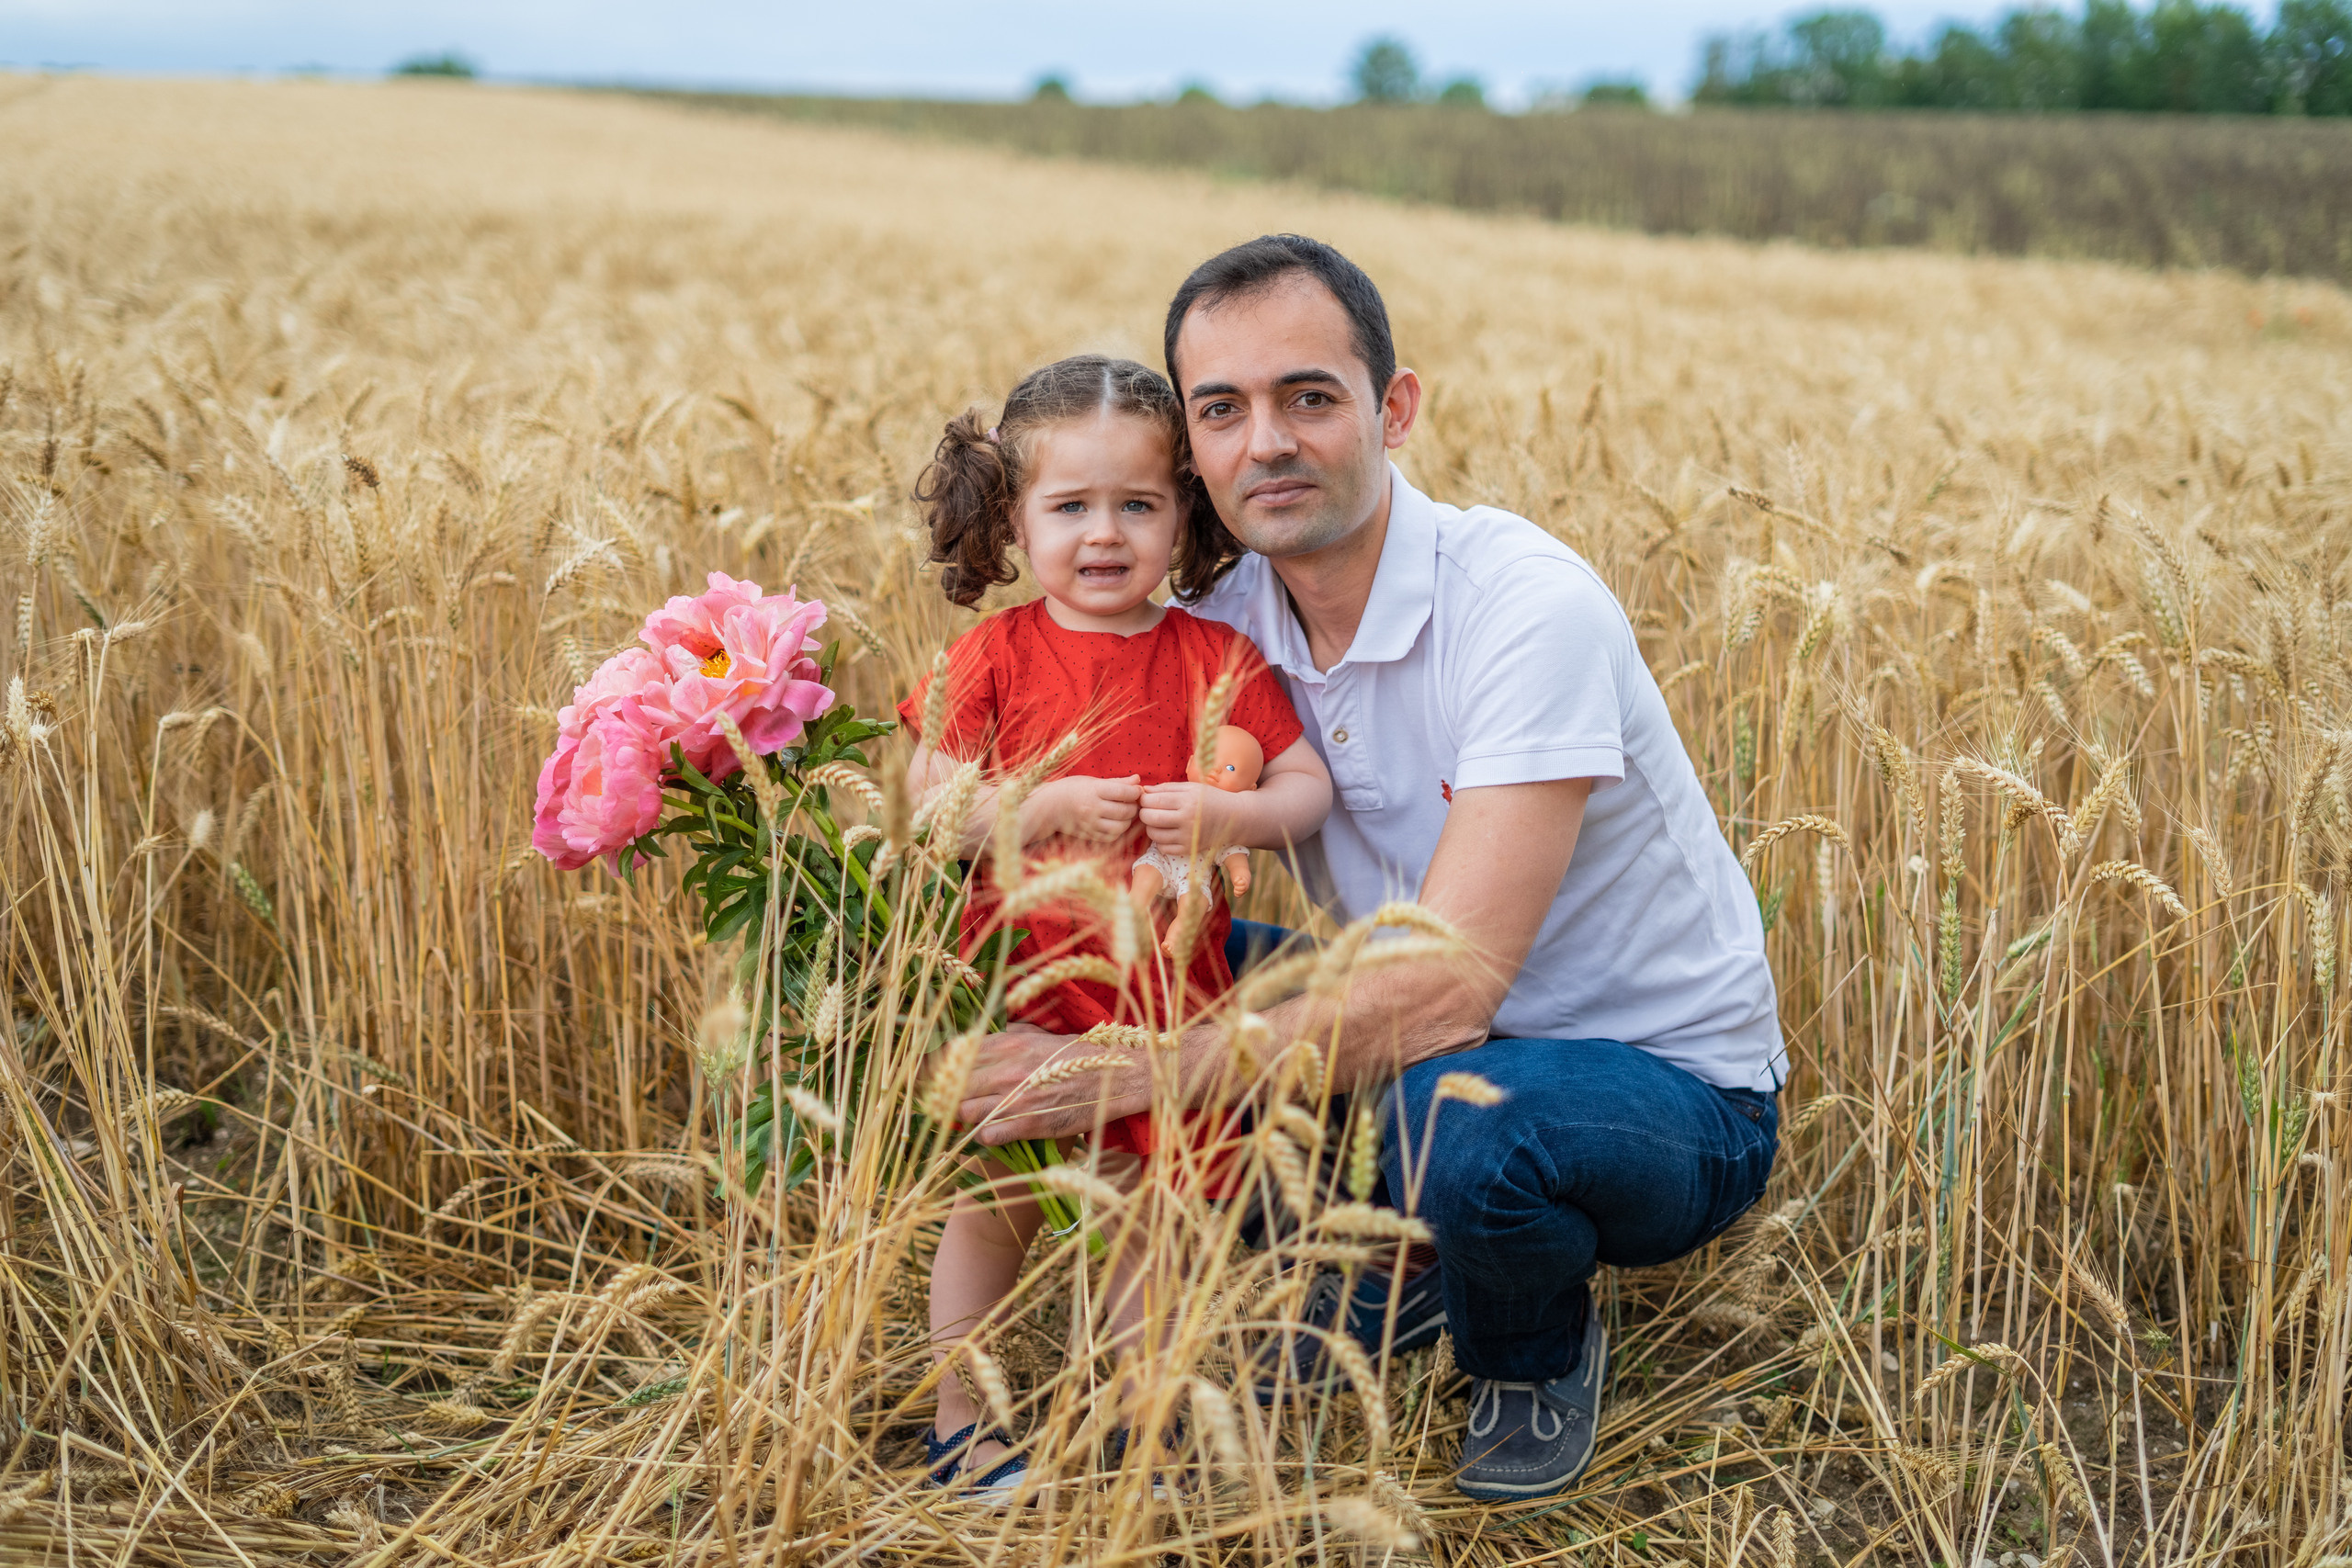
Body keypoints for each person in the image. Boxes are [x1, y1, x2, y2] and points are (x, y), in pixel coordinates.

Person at [953, 240, 1783, 1502]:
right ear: (1194, 454)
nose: (1267, 441)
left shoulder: (1521, 606)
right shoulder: (1226, 627)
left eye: (1310, 396)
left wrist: (1134, 1071)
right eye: (1223, 411)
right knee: (1120, 965)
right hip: (1411, 1036)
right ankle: (1401, 1265)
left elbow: (1448, 991)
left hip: (1658, 1088)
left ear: (1394, 408)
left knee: (1461, 1117)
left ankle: (1530, 1348)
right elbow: (1055, 799)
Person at [899, 354, 1333, 1498]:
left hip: (1161, 998)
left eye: (1138, 504)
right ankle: (963, 1421)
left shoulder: (1214, 658)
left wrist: (1233, 813)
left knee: (1153, 1216)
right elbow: (929, 804)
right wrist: (1034, 804)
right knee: (996, 1210)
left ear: (1184, 513)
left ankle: (1141, 1425)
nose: (1105, 533)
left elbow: (1305, 795)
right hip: (1020, 982)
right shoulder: (991, 656)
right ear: (1012, 516)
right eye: (1070, 506)